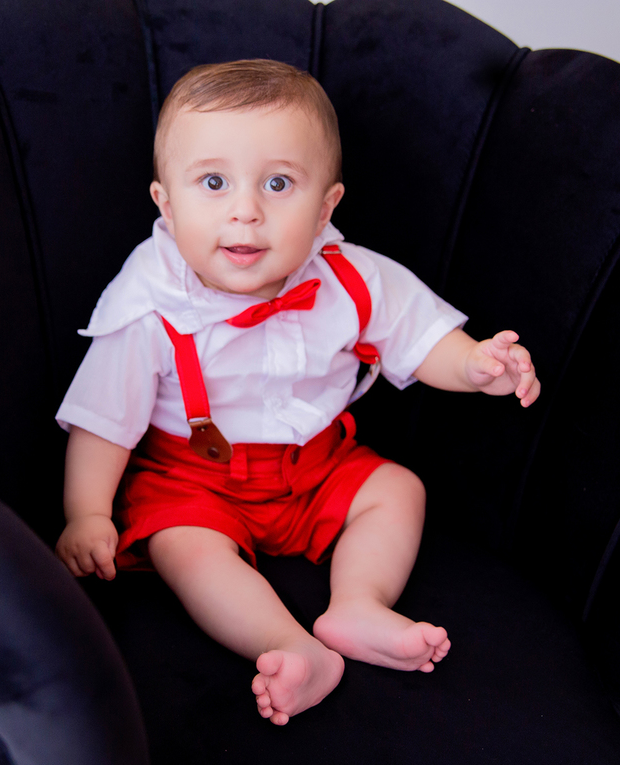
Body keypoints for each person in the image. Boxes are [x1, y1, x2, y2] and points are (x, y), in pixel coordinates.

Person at [55, 59, 540, 726]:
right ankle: (288, 645)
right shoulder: (148, 307)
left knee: (398, 491)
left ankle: (358, 605)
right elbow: (103, 422)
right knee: (181, 547)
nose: (246, 211)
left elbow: (421, 339)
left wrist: (477, 366)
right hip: (194, 478)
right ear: (166, 202)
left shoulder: (351, 277)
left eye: (279, 183)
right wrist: (88, 512)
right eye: (214, 183)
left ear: (325, 208)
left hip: (317, 466)